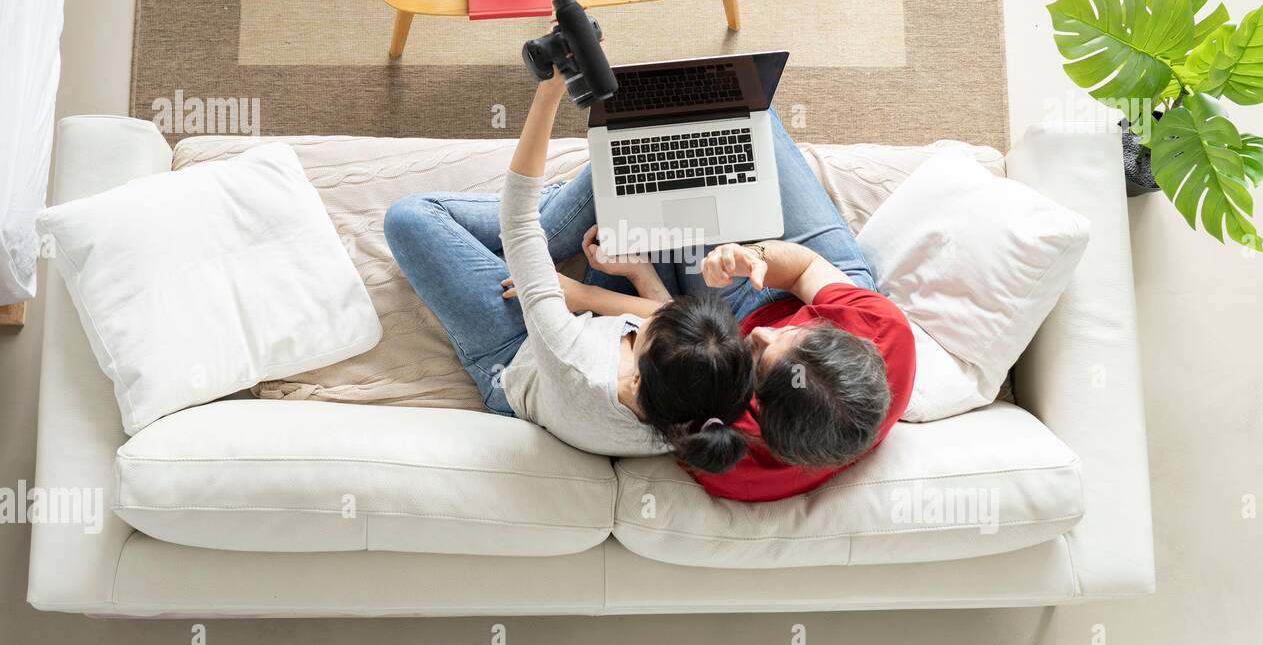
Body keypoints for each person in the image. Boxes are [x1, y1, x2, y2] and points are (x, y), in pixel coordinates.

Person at [383, 73, 755, 472]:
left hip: (518, 353)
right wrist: (632, 273)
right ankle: (542, 243)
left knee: (410, 218)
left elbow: (518, 221)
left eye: (645, 329)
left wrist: (550, 90)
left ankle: (544, 231)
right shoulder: (700, 405)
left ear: (635, 378)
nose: (656, 315)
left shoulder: (573, 365)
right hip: (582, 322)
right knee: (628, 160)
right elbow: (667, 316)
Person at [671, 110, 917, 502]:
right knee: (745, 110)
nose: (761, 333)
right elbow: (804, 269)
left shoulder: (733, 462)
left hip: (725, 318)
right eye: (789, 334)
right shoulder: (883, 330)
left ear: (760, 414)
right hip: (818, 275)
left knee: (678, 152)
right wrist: (749, 256)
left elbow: (661, 344)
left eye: (760, 360)